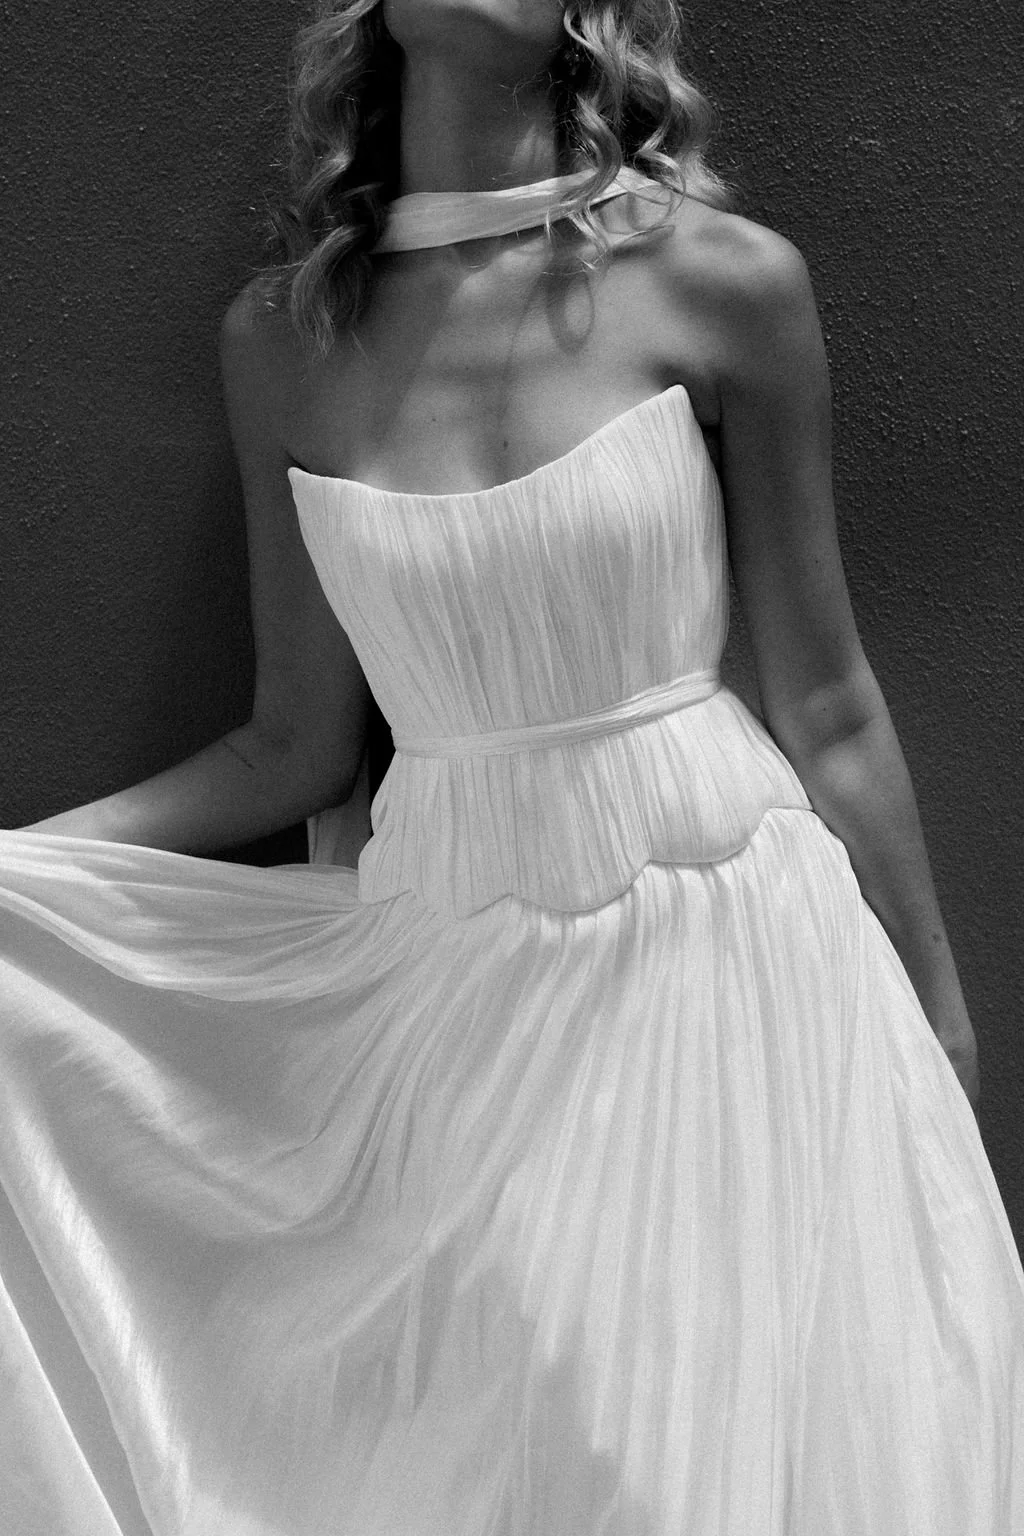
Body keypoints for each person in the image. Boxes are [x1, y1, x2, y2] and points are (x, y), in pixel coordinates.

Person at [1, 1, 1022, 1532]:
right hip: (453, 989)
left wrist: (938, 1015)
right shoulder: (283, 342)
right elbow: (296, 744)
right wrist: (25, 865)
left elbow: (827, 703)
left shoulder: (723, 281)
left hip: (734, 962)